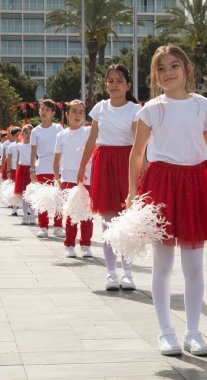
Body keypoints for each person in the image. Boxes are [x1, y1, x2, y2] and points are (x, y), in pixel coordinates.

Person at [127, 44, 207, 356]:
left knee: (194, 266)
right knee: (162, 265)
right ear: (155, 75)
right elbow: (137, 153)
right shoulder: (151, 109)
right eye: (161, 68)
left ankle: (193, 332)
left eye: (174, 66)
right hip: (161, 184)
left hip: (194, 183)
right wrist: (133, 193)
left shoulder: (202, 105)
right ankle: (166, 333)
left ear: (188, 69)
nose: (168, 73)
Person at [77, 64, 141, 291]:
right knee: (107, 222)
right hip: (104, 163)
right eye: (110, 80)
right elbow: (91, 140)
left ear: (128, 85)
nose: (114, 85)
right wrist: (82, 166)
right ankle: (111, 273)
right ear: (106, 84)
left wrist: (142, 169)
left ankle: (128, 273)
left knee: (127, 220)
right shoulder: (100, 108)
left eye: (119, 81)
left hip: (127, 162)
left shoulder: (135, 109)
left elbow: (137, 141)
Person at [54, 100, 93, 258]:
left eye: (81, 112)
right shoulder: (61, 134)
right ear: (67, 114)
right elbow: (57, 159)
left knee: (86, 213)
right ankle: (69, 244)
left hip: (87, 177)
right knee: (71, 212)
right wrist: (57, 178)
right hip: (68, 177)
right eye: (74, 111)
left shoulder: (89, 132)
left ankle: (85, 244)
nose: (78, 115)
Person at [30, 99, 64, 238]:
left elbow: (64, 147)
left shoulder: (58, 129)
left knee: (58, 197)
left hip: (58, 166)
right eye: (42, 109)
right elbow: (33, 152)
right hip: (42, 166)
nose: (44, 112)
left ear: (53, 113)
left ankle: (57, 226)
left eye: (47, 110)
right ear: (39, 110)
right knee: (43, 198)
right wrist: (32, 170)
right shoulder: (35, 131)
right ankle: (43, 226)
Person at [14, 124, 35, 225]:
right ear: (22, 134)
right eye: (26, 133)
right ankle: (25, 215)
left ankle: (32, 215)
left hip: (31, 169)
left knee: (32, 194)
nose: (28, 135)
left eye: (30, 133)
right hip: (22, 169)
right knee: (23, 194)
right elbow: (18, 159)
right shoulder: (19, 145)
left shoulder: (34, 145)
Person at [6, 127, 21, 216]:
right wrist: (8, 171)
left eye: (20, 135)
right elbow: (9, 159)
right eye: (17, 135)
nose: (19, 137)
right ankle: (14, 208)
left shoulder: (26, 145)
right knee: (15, 189)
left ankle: (27, 210)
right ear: (14, 136)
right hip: (14, 169)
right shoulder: (11, 146)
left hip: (23, 169)